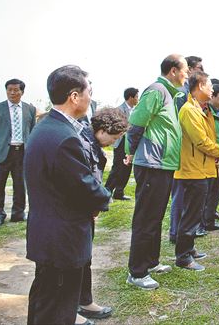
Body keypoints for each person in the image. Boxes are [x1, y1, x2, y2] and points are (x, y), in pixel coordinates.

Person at [24, 65, 111, 325]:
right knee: (57, 307)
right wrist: (104, 198)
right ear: (74, 96)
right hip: (62, 237)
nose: (90, 98)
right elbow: (83, 186)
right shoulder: (64, 137)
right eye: (89, 92)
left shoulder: (49, 126)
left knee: (46, 300)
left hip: (49, 233)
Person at [125, 54, 188, 290]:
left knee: (156, 217)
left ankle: (151, 262)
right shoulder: (156, 91)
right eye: (185, 71)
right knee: (145, 219)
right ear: (173, 71)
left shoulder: (170, 95)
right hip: (151, 164)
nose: (187, 75)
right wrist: (131, 152)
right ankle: (137, 272)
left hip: (164, 166)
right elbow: (136, 124)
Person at [76, 107, 129, 323]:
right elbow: (82, 182)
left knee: (85, 258)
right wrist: (99, 200)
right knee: (75, 260)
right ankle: (72, 307)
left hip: (87, 212)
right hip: (76, 213)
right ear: (103, 130)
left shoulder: (93, 144)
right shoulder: (80, 144)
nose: (115, 142)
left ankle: (84, 300)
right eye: (115, 137)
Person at [174, 72, 219, 271]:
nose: (212, 90)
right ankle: (183, 257)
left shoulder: (204, 110)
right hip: (192, 170)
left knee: (195, 213)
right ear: (199, 86)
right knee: (190, 214)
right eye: (209, 85)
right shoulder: (189, 110)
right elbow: (201, 141)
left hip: (202, 169)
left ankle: (189, 247)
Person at [0, 78, 37, 227]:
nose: (12, 93)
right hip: (2, 152)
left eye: (16, 90)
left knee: (20, 185)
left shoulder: (30, 109)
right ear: (6, 91)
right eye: (9, 90)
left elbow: (32, 130)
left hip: (22, 152)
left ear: (22, 92)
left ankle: (18, 213)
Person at [169, 55, 204, 241]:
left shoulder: (191, 95)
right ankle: (176, 232)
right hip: (183, 152)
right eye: (198, 68)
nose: (202, 72)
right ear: (189, 70)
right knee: (180, 194)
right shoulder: (181, 95)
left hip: (193, 153)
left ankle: (187, 230)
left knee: (189, 196)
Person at [201, 81, 219, 232]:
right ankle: (202, 223)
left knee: (216, 192)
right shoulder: (206, 111)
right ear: (212, 97)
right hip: (212, 158)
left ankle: (209, 220)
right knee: (207, 192)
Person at [104, 87, 139, 200]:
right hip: (121, 142)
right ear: (131, 97)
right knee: (117, 168)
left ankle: (119, 192)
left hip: (130, 144)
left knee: (127, 169)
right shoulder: (119, 110)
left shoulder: (136, 110)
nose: (138, 99)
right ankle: (106, 193)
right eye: (137, 97)